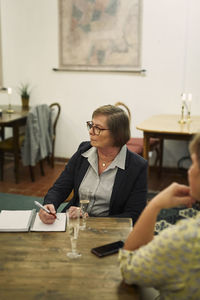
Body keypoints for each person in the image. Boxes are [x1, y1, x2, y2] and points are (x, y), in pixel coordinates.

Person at [119, 133, 200, 299]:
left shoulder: (186, 237)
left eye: (193, 163)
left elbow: (128, 269)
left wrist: (154, 204)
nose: (190, 170)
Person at [39, 104, 148, 225]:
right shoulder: (83, 151)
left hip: (108, 231)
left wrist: (90, 219)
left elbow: (134, 215)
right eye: (91, 125)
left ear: (117, 134)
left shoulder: (137, 166)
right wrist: (49, 204)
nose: (91, 131)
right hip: (74, 223)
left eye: (98, 128)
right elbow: (60, 188)